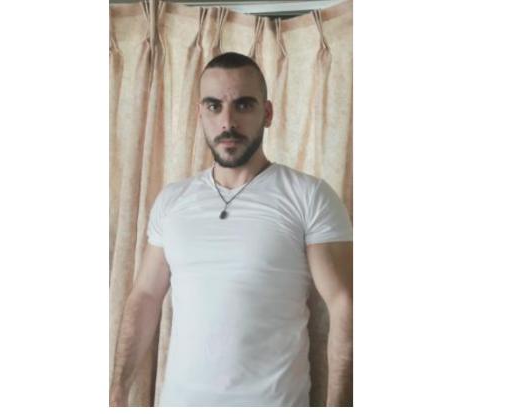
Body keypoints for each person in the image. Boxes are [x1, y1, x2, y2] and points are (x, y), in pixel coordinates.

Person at [110, 52, 353, 407]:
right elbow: (145, 296)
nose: (227, 122)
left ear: (267, 113)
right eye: (214, 106)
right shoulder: (172, 200)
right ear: (200, 115)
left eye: (243, 105)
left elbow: (344, 304)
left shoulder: (308, 195)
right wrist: (116, 392)